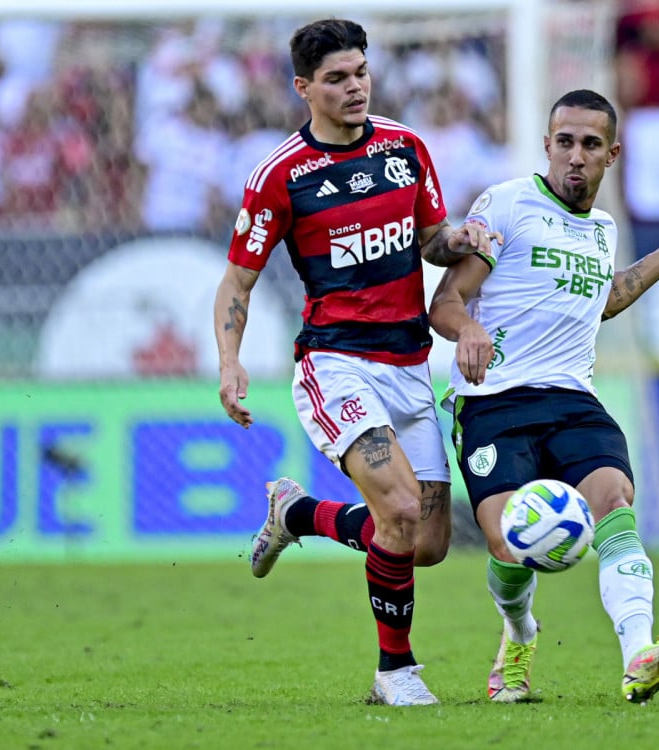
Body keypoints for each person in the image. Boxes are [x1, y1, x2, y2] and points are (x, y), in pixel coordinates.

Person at [212, 18, 498, 707]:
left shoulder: (405, 150)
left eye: (361, 72)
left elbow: (430, 241)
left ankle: (297, 513)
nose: (355, 87)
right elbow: (237, 284)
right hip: (336, 363)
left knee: (425, 541)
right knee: (398, 508)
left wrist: (461, 237)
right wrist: (229, 362)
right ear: (303, 88)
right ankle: (395, 673)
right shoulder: (281, 176)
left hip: (409, 366)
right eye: (337, 78)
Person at [428, 89, 659, 704]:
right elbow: (445, 303)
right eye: (565, 142)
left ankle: (639, 653)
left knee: (614, 503)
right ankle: (519, 630)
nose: (575, 156)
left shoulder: (604, 228)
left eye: (590, 145)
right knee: (509, 541)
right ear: (548, 146)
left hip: (573, 399)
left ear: (611, 154)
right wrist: (470, 329)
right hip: (495, 401)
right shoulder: (508, 204)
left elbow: (601, 300)